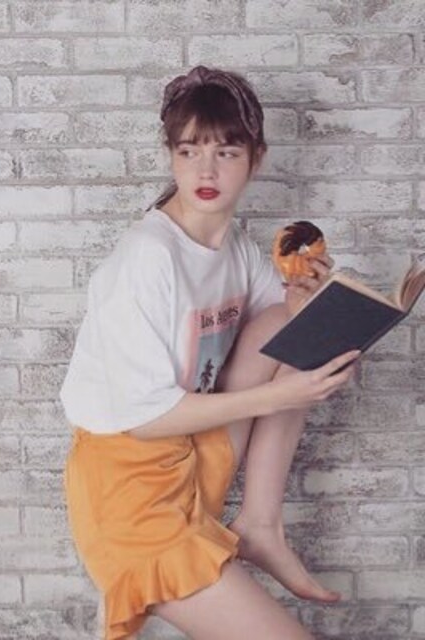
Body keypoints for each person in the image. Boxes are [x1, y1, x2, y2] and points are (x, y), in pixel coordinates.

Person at [60, 66, 359, 640]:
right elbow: (146, 420)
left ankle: (260, 523)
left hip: (196, 462)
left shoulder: (236, 249)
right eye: (189, 151)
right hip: (132, 498)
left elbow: (289, 334)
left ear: (256, 159)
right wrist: (283, 395)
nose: (206, 170)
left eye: (226, 152)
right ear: (170, 155)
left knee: (302, 326)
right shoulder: (148, 257)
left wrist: (310, 300)